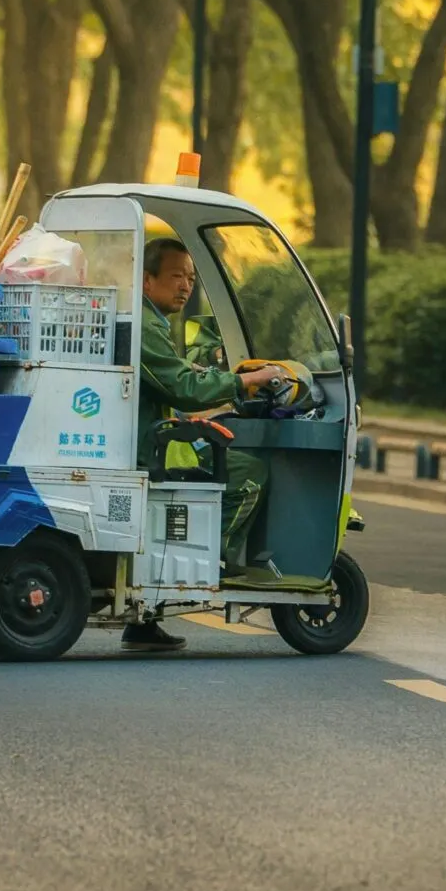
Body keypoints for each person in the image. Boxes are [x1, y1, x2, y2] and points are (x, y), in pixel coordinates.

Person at [128, 236, 284, 651]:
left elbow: (168, 386)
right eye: (176, 275)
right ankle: (210, 564)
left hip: (152, 437)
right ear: (146, 280)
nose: (185, 286)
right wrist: (248, 380)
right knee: (247, 473)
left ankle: (143, 624)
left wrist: (191, 403)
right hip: (145, 450)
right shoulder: (144, 325)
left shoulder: (152, 322)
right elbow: (183, 386)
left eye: (191, 278)